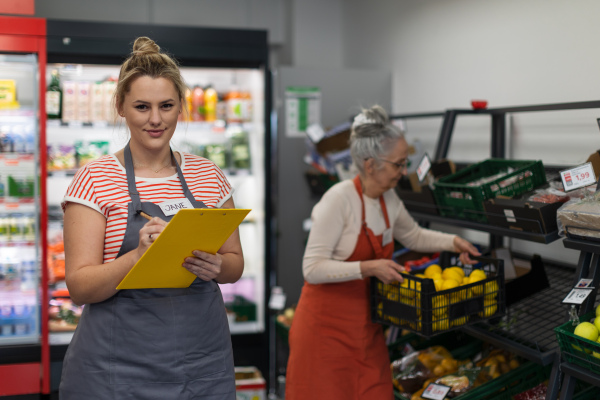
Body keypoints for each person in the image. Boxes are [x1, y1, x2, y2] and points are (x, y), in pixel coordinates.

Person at [59, 37, 242, 399]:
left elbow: (234, 266)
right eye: (142, 107)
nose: (155, 119)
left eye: (166, 106)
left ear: (180, 108)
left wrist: (216, 265)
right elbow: (80, 287)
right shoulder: (95, 179)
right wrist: (137, 258)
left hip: (202, 367)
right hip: (116, 371)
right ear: (121, 107)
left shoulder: (209, 176)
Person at [285, 105, 480, 399]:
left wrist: (453, 242)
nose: (403, 172)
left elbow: (413, 235)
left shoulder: (388, 198)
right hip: (323, 335)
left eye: (405, 163)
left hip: (366, 331)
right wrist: (368, 267)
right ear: (370, 164)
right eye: (398, 164)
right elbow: (311, 268)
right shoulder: (338, 200)